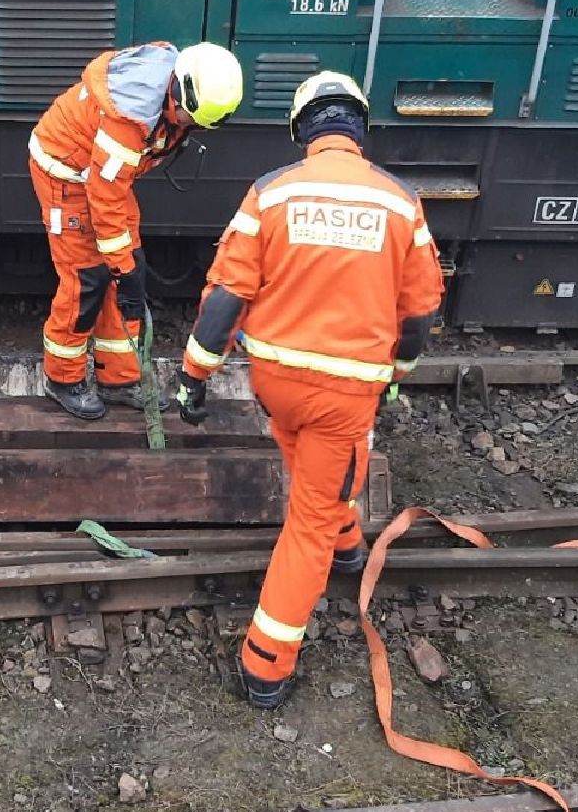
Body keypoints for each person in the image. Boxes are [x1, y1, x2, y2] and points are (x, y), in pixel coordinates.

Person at [172, 72, 443, 708]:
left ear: (302, 130)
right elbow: (420, 312)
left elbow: (226, 299)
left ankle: (348, 545)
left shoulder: (271, 192)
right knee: (309, 521)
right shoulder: (400, 203)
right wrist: (396, 374)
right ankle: (266, 663)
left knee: (316, 470)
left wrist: (193, 378)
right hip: (344, 396)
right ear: (359, 127)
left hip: (276, 384)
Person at [28, 41, 245, 421]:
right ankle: (62, 378)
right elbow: (104, 194)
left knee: (128, 275)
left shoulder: (170, 96)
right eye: (187, 119)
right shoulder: (128, 118)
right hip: (66, 176)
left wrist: (126, 269)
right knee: (87, 280)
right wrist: (120, 266)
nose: (186, 127)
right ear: (177, 92)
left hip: (106, 178)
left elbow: (111, 188)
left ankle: (119, 378)